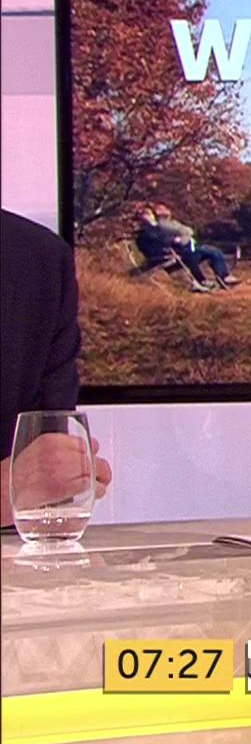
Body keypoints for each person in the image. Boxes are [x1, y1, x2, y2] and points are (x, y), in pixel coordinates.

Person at [1, 210, 113, 528]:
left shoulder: (40, 259)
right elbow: (20, 490)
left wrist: (64, 479)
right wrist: (7, 492)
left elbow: (46, 481)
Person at [147, 203, 240, 288]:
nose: (167, 210)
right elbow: (186, 231)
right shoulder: (164, 224)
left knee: (214, 252)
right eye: (162, 209)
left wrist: (186, 233)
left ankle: (223, 276)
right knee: (212, 252)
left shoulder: (171, 222)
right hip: (184, 249)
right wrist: (185, 234)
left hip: (188, 247)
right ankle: (219, 277)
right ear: (158, 212)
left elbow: (187, 231)